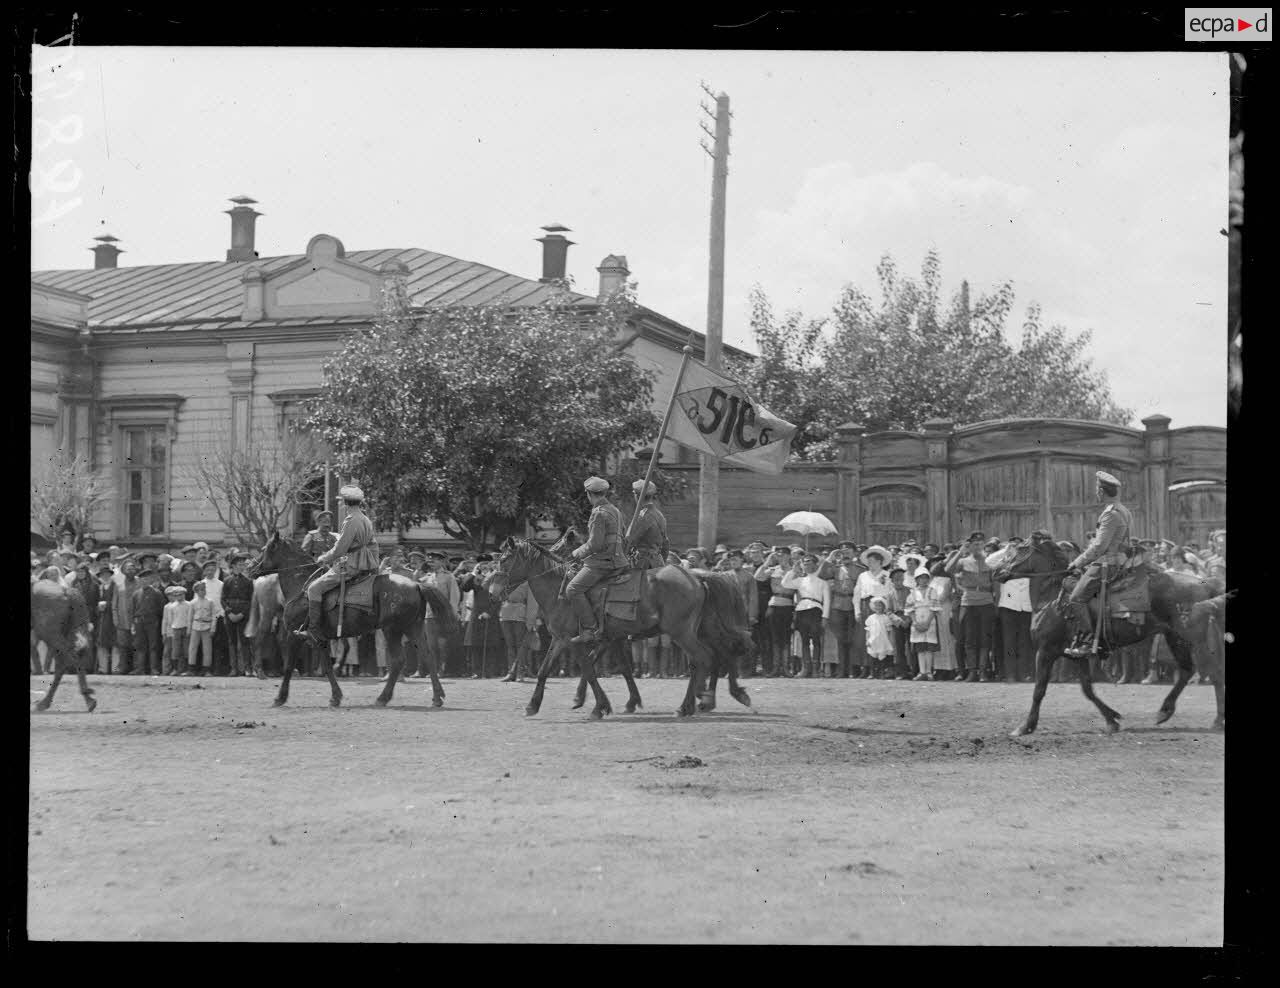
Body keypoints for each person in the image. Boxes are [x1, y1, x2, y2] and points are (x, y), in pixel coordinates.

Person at [296, 485, 380, 647]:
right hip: (366, 562)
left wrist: (324, 558)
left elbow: (340, 549)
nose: (341, 504)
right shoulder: (365, 518)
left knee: (313, 589)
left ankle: (313, 630)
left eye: (342, 502)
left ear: (346, 503)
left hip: (352, 564)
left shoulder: (350, 520)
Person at [1064, 472, 1134, 658]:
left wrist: (1077, 562)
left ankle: (1087, 642)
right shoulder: (1124, 510)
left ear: (1102, 491)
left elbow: (1099, 547)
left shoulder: (1110, 514)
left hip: (1105, 564)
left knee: (1076, 598)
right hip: (1118, 562)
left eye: (1097, 490)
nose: (1096, 493)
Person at [566, 476, 628, 645]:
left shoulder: (598, 513)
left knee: (572, 589)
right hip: (619, 561)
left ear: (589, 494)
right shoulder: (615, 510)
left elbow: (595, 544)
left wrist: (577, 553)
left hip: (602, 562)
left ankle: (591, 629)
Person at [945, 533, 997, 682]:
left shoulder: (990, 561)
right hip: (969, 603)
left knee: (985, 639)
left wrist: (995, 602)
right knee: (969, 639)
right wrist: (960, 552)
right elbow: (949, 569)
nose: (977, 547)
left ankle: (982, 672)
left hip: (986, 602)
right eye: (974, 544)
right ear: (969, 545)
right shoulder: (963, 561)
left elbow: (995, 583)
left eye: (980, 544)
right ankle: (972, 671)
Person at [986, 536, 1035, 683]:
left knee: (1025, 642)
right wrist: (1005, 550)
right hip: (1008, 606)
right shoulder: (1004, 562)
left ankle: (1024, 673)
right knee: (1009, 642)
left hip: (1026, 606)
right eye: (1014, 546)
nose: (1017, 548)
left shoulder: (1030, 562)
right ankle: (1010, 674)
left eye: (1019, 545)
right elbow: (989, 562)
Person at [781, 552, 831, 678]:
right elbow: (785, 583)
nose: (806, 564)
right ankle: (805, 668)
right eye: (804, 562)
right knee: (804, 640)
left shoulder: (822, 582)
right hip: (802, 610)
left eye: (809, 562)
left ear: (815, 564)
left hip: (816, 610)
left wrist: (825, 617)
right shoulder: (799, 581)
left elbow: (827, 601)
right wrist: (793, 570)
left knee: (816, 640)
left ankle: (815, 669)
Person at [755, 547, 797, 677]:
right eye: (778, 555)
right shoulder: (773, 570)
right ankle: (775, 668)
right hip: (774, 605)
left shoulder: (794, 570)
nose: (781, 557)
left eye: (783, 555)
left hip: (788, 604)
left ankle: (786, 668)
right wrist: (768, 561)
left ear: (789, 556)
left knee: (785, 639)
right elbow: (758, 577)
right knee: (774, 638)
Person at [854, 547, 896, 678]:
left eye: (872, 561)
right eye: (868, 561)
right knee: (866, 637)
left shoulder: (886, 575)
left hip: (881, 607)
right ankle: (867, 667)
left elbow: (890, 594)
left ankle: (883, 668)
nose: (869, 564)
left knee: (882, 637)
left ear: (880, 561)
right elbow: (857, 594)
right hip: (866, 606)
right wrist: (857, 610)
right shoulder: (863, 575)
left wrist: (887, 610)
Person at [222, 551, 254, 676]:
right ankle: (234, 668)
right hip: (230, 614)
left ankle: (247, 668)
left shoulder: (248, 581)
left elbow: (250, 600)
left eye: (243, 565)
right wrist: (229, 613)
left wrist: (242, 614)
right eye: (240, 564)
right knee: (232, 642)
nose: (242, 567)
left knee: (245, 641)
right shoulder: (227, 581)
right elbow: (223, 599)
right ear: (233, 566)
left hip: (243, 614)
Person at [907, 570, 940, 680]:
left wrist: (927, 622)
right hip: (917, 619)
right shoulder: (912, 592)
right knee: (920, 648)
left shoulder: (932, 591)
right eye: (920, 578)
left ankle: (929, 672)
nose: (923, 580)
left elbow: (934, 608)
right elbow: (909, 609)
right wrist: (915, 622)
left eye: (925, 578)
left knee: (929, 647)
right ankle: (922, 671)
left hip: (929, 620)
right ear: (916, 579)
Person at [161, 584, 192, 675]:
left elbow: (189, 618)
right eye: (177, 595)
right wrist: (169, 631)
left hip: (185, 628)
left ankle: (185, 670)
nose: (179, 597)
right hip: (175, 629)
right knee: (175, 650)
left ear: (184, 594)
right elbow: (170, 620)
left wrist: (189, 630)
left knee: (186, 650)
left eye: (181, 594)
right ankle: (175, 669)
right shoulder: (171, 606)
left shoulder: (188, 605)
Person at [188, 580, 216, 675]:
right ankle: (191, 668)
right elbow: (190, 617)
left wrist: (213, 628)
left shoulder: (210, 602)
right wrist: (189, 629)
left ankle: (206, 669)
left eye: (203, 589)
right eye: (199, 590)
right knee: (193, 648)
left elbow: (213, 616)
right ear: (196, 591)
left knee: (207, 648)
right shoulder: (192, 603)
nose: (202, 592)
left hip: (207, 626)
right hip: (195, 626)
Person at [864, 598, 895, 670]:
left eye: (879, 606)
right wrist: (867, 640)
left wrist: (890, 641)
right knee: (873, 656)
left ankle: (882, 672)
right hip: (873, 640)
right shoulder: (870, 618)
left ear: (883, 607)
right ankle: (873, 673)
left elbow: (889, 631)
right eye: (876, 606)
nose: (878, 607)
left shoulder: (886, 618)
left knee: (882, 655)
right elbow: (868, 630)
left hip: (882, 640)